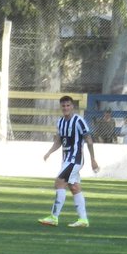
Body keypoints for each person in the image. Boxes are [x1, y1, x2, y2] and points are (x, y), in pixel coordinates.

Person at [39, 96, 100, 227]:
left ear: (72, 106)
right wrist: (49, 152)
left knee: (59, 182)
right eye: (63, 106)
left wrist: (93, 159)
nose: (66, 108)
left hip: (75, 159)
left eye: (68, 105)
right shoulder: (60, 122)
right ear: (61, 107)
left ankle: (54, 217)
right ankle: (83, 220)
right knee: (74, 187)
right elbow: (59, 141)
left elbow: (89, 140)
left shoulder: (79, 121)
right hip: (66, 160)